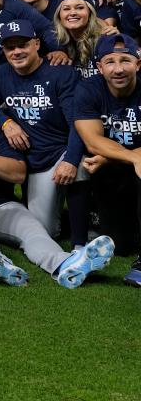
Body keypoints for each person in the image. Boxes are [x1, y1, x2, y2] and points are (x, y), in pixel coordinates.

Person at [0, 78, 116, 288]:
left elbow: (18, 174)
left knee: (33, 230)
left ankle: (67, 264)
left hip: (0, 204)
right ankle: (0, 266)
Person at [0, 20, 88, 241]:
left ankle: (80, 243)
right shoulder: (1, 74)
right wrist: (6, 123)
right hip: (32, 159)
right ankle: (72, 217)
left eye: (23, 45)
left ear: (37, 44)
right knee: (46, 231)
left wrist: (70, 159)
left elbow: (77, 123)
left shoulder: (61, 73)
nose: (17, 51)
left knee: (81, 165)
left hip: (59, 152)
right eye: (10, 47)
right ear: (4, 50)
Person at [74, 33, 141, 285]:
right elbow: (92, 141)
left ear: (138, 64)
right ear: (99, 67)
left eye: (125, 60)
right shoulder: (88, 89)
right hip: (113, 169)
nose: (118, 69)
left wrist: (116, 156)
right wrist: (127, 158)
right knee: (120, 245)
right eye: (110, 62)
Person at [53, 0, 116, 79]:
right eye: (66, 9)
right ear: (59, 16)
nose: (73, 13)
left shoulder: (106, 40)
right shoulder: (58, 43)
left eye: (80, 8)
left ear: (90, 13)